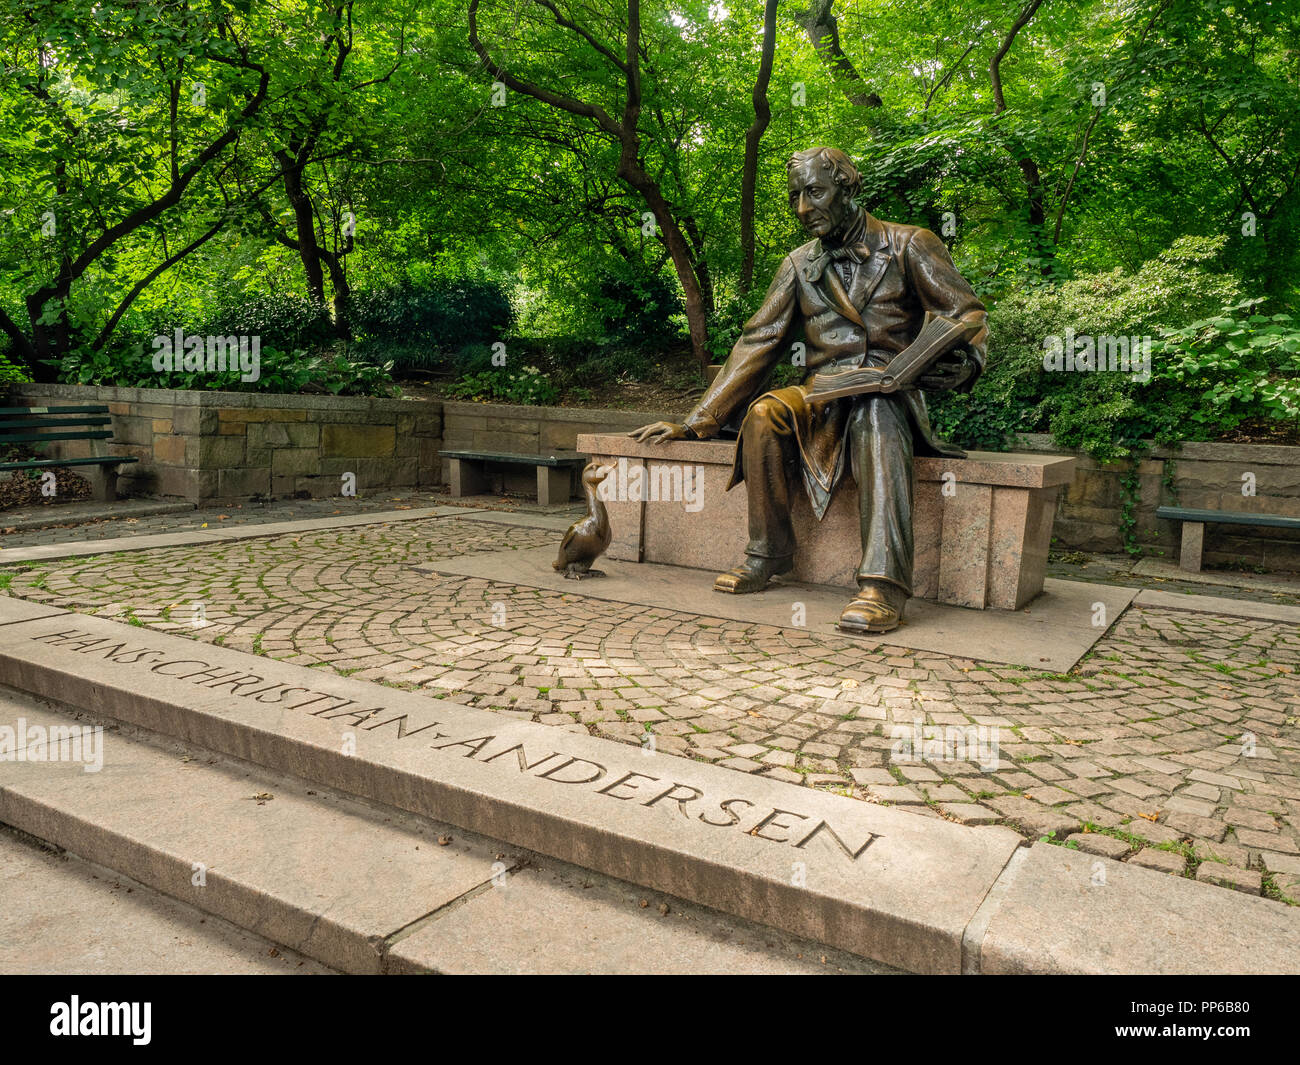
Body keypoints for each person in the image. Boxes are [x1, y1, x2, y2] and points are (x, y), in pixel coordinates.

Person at [629, 146, 988, 634]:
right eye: (795, 196)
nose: (803, 208)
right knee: (764, 413)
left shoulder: (910, 244)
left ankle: (883, 586)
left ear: (847, 187)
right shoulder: (798, 264)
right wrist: (697, 423)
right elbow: (760, 341)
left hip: (890, 391)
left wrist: (964, 364)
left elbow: (966, 314)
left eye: (814, 192)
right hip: (823, 393)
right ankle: (769, 553)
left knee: (874, 413)